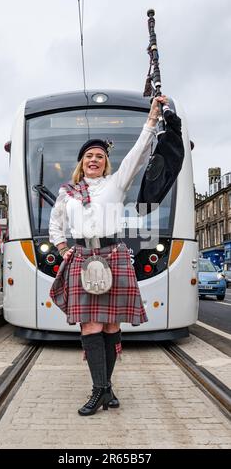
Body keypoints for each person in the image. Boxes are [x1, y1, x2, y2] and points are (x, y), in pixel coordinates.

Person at [49, 95, 168, 416]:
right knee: (90, 328)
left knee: (112, 328)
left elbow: (139, 154)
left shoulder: (117, 183)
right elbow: (56, 227)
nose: (94, 159)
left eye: (99, 156)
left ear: (105, 163)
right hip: (83, 258)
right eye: (89, 155)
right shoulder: (66, 192)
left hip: (112, 256)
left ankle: (105, 387)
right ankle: (101, 390)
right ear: (81, 162)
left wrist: (153, 118)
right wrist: (63, 251)